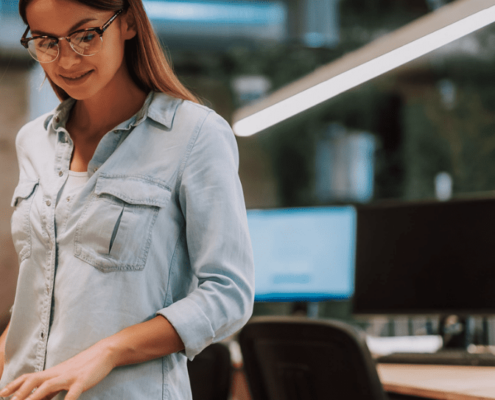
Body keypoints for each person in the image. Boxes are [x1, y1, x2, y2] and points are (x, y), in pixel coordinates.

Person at [0, 0, 255, 399]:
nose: (67, 60)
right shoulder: (33, 140)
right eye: (48, 41)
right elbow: (41, 298)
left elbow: (228, 294)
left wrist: (108, 352)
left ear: (130, 24)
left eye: (86, 35)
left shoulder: (195, 135)